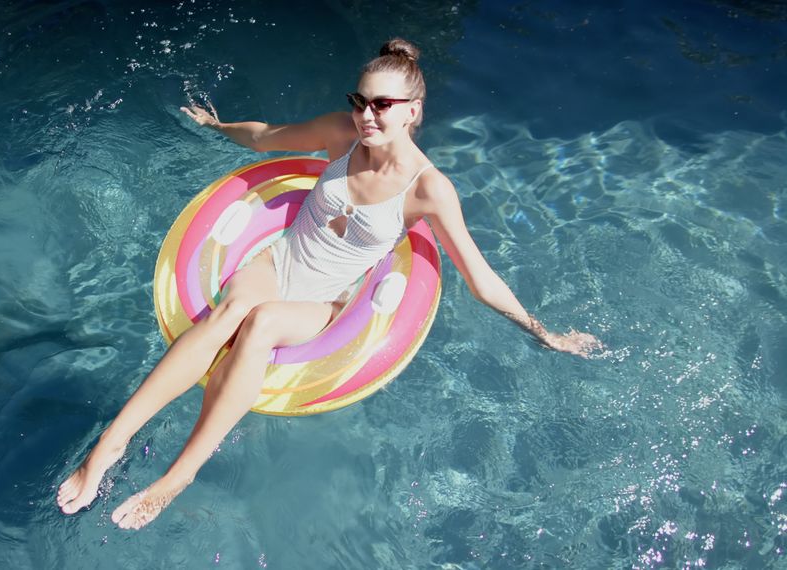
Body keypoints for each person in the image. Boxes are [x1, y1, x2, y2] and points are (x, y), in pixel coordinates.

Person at [56, 38, 603, 530]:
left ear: (413, 111)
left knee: (263, 322)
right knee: (229, 311)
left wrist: (544, 333)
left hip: (325, 299)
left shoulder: (428, 189)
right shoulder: (343, 135)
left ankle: (178, 477)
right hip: (280, 258)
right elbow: (268, 138)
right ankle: (110, 443)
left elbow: (480, 277)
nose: (367, 115)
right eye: (360, 101)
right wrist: (214, 127)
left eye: (382, 105)